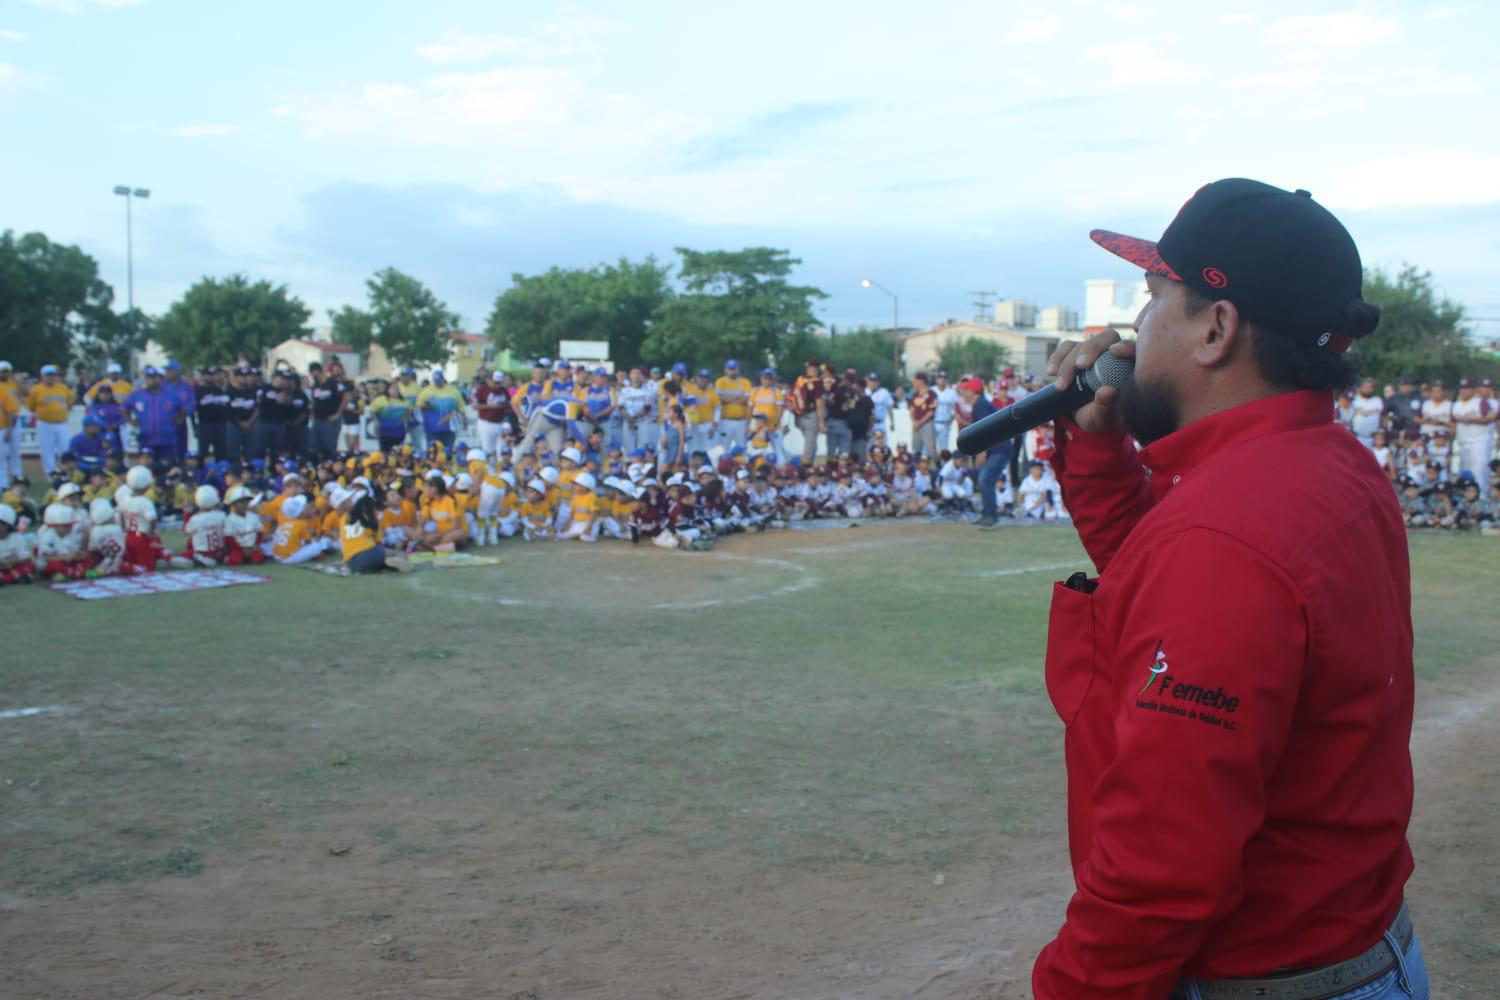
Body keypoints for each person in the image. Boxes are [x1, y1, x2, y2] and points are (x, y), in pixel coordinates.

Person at [1032, 179, 1420, 999]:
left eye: (1152, 299)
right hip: (1352, 948)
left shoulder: (1225, 532)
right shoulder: (1322, 462)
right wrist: (1099, 451)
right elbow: (1166, 578)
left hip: (1269, 975)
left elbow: (1162, 862)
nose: (1134, 329)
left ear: (1215, 327)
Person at [957, 376, 1011, 529]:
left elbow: (985, 431)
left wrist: (982, 453)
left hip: (999, 448)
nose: (964, 393)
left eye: (966, 390)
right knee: (986, 480)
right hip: (999, 447)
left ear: (974, 391)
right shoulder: (981, 404)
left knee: (985, 480)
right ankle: (988, 514)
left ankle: (990, 516)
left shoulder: (980, 405)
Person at [124, 366, 187, 465]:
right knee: (147, 466)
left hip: (167, 438)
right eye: (149, 377)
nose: (152, 380)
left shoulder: (170, 394)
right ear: (145, 379)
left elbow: (183, 409)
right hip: (146, 438)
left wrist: (179, 419)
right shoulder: (137, 395)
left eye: (155, 377)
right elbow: (124, 408)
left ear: (160, 378)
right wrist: (130, 421)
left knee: (167, 466)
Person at [25, 364, 76, 476]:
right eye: (48, 375)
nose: (51, 377)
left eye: (53, 375)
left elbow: (70, 400)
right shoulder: (36, 390)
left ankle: (67, 473)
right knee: (47, 451)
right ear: (42, 376)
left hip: (62, 423)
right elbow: (31, 407)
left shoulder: (62, 387)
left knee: (66, 448)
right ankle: (51, 475)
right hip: (45, 424)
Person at [1451, 377, 1494, 490]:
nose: (1463, 391)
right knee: (1464, 472)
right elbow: (1453, 424)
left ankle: (1482, 497)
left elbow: (1491, 417)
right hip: (1463, 442)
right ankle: (1466, 498)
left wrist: (1471, 420)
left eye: (1467, 388)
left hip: (1480, 442)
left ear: (1474, 390)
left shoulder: (1480, 402)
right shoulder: (1456, 404)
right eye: (1462, 388)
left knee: (1479, 471)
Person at [309, 361, 352, 462]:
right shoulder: (316, 385)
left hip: (330, 419)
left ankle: (330, 466)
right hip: (318, 419)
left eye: (313, 372)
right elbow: (314, 400)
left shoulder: (332, 382)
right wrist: (312, 414)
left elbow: (346, 397)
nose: (312, 375)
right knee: (315, 445)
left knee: (329, 445)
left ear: (317, 371)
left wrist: (338, 414)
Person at [473, 369, 519, 458]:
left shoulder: (503, 390)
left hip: (500, 422)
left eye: (499, 383)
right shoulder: (482, 390)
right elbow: (475, 405)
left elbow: (509, 402)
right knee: (487, 448)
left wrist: (502, 405)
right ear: (489, 380)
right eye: (495, 383)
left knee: (501, 449)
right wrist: (490, 406)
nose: (497, 385)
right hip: (486, 422)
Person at [789, 358, 824, 464]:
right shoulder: (817, 382)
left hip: (799, 415)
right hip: (810, 415)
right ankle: (806, 467)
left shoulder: (799, 379)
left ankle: (808, 463)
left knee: (811, 444)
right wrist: (821, 422)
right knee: (810, 444)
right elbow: (819, 403)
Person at [714, 360, 753, 452]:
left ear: (738, 370)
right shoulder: (720, 381)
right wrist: (737, 398)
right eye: (730, 369)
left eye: (734, 369)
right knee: (724, 447)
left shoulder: (745, 382)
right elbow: (720, 399)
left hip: (741, 421)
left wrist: (729, 399)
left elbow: (746, 399)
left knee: (742, 447)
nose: (732, 372)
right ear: (725, 370)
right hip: (725, 420)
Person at [908, 372, 938, 459]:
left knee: (930, 449)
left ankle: (935, 466)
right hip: (916, 424)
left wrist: (920, 422)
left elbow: (931, 411)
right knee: (916, 448)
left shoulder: (931, 394)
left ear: (921, 381)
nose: (913, 382)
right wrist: (914, 421)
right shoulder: (915, 394)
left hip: (927, 424)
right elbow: (911, 410)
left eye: (915, 380)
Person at [933, 371, 959, 451]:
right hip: (932, 423)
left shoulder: (952, 392)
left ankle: (943, 463)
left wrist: (951, 420)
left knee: (943, 449)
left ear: (947, 380)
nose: (942, 380)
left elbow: (955, 408)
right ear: (936, 379)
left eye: (944, 378)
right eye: (940, 378)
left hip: (945, 423)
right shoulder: (931, 391)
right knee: (929, 448)